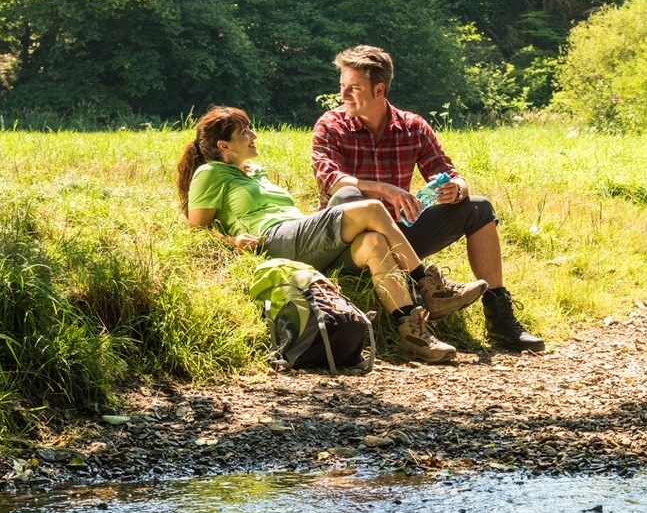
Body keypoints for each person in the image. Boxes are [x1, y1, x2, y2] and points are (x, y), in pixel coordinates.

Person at [175, 106, 488, 364]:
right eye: (244, 132)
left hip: (299, 236)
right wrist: (233, 242)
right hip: (272, 241)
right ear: (223, 146)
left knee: (374, 243)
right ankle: (427, 284)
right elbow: (196, 232)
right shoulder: (210, 174)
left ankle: (412, 332)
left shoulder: (255, 173)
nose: (253, 135)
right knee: (373, 209)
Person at [310, 45, 544, 353]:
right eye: (342, 87)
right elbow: (329, 180)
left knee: (478, 207)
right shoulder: (331, 125)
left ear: (379, 89)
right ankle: (426, 287)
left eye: (353, 88)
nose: (344, 95)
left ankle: (500, 321)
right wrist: (382, 190)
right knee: (350, 194)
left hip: (401, 236)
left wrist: (456, 188)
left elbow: (451, 173)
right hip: (350, 241)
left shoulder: (412, 127)